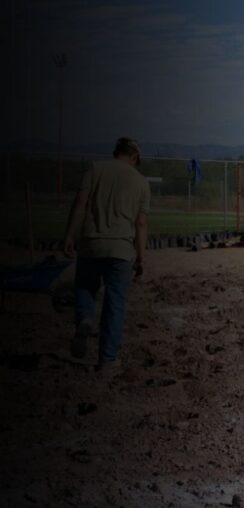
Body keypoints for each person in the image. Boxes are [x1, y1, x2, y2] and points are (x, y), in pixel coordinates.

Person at [63, 137, 150, 371]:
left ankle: (85, 317)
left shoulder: (94, 169)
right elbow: (141, 223)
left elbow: (80, 204)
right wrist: (141, 257)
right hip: (121, 249)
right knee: (115, 302)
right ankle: (107, 359)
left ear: (116, 152)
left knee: (84, 288)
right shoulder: (140, 181)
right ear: (134, 157)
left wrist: (70, 235)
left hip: (91, 243)